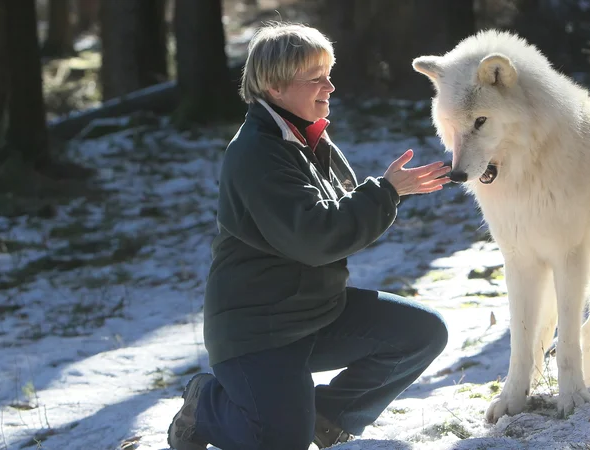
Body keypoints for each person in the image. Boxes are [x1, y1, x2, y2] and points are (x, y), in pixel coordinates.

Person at [167, 21, 451, 450]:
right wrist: (387, 191)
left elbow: (337, 216)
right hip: (258, 330)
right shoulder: (257, 153)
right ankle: (205, 405)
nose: (331, 86)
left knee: (421, 333)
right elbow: (315, 238)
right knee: (279, 443)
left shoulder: (307, 136)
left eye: (329, 73)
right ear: (275, 87)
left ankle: (325, 417)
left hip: (316, 312)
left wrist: (390, 192)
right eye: (316, 78)